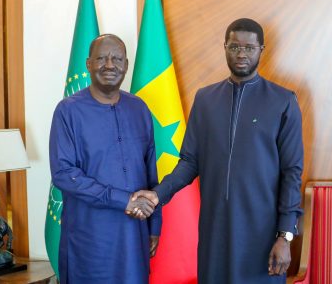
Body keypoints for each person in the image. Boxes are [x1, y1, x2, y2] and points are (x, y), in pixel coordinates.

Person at [131, 18, 303, 283]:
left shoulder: (283, 101)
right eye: (234, 47)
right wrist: (157, 195)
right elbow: (189, 162)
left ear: (262, 50)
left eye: (249, 47)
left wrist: (285, 236)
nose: (241, 54)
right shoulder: (206, 99)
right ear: (224, 47)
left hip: (262, 234)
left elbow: (292, 172)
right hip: (215, 232)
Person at [49, 34, 161, 284]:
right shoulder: (68, 111)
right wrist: (123, 200)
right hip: (89, 238)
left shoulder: (140, 109)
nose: (110, 65)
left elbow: (150, 172)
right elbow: (64, 174)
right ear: (88, 64)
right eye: (101, 58)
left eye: (117, 59)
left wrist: (154, 226)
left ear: (126, 65)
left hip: (134, 234)